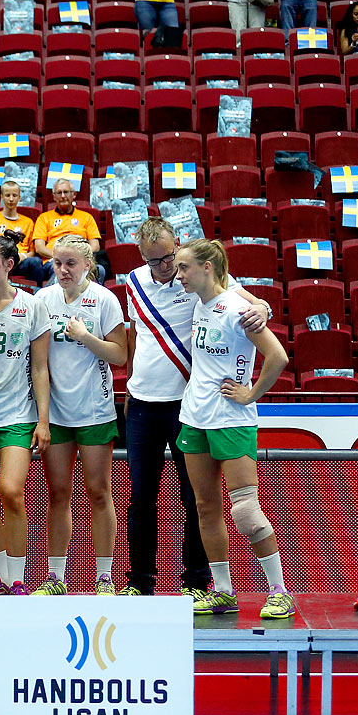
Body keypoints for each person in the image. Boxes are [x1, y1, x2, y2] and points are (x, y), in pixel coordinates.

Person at [123, 218, 269, 599]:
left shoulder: (197, 276)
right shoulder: (134, 282)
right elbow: (137, 337)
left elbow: (247, 303)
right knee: (141, 497)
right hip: (143, 402)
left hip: (187, 403)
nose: (167, 268)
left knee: (199, 500)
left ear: (178, 246)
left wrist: (264, 307)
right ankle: (139, 582)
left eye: (170, 258)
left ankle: (198, 583)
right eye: (155, 261)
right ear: (142, 257)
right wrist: (128, 391)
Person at [175, 240, 295, 619]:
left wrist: (251, 393)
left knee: (244, 510)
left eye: (184, 268)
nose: (178, 276)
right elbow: (235, 286)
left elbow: (278, 356)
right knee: (206, 507)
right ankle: (223, 591)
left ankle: (279, 591)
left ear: (207, 268)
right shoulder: (199, 302)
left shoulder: (238, 310)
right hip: (194, 417)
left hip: (232, 420)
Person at [34, 235, 126, 596]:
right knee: (58, 493)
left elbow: (119, 355)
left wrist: (86, 336)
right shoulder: (43, 298)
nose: (62, 270)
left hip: (94, 409)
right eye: (57, 263)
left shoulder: (104, 300)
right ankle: (56, 577)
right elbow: (37, 360)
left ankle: (105, 577)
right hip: (55, 412)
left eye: (70, 263)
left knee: (98, 491)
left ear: (88, 265)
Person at [0, 231, 51, 595]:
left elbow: (40, 368)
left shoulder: (32, 306)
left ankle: (19, 579)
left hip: (17, 414)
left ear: (8, 265)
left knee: (12, 491)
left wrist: (44, 420)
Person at [32, 178, 104, 283]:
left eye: (66, 192)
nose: (63, 196)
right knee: (60, 270)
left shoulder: (86, 217)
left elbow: (95, 246)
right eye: (59, 193)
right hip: (54, 261)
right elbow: (39, 247)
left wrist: (78, 258)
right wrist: (62, 258)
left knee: (99, 270)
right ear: (54, 196)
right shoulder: (44, 218)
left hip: (81, 260)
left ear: (74, 194)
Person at [0, 181, 41, 279]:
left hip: (20, 262)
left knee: (36, 262)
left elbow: (33, 252)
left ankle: (37, 292)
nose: (11, 199)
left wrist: (22, 256)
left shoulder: (28, 222)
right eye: (7, 195)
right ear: (1, 197)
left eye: (14, 195)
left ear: (19, 198)